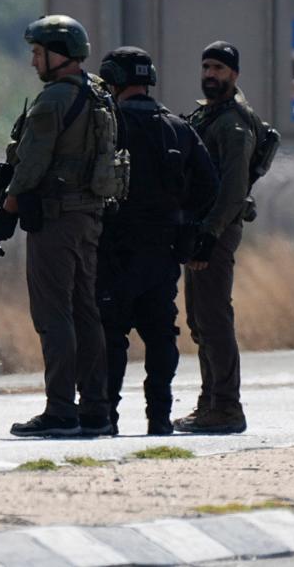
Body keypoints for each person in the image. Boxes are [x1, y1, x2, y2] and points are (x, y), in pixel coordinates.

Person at [0, 14, 114, 438]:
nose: (32, 62)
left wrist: (8, 205)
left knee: (54, 314)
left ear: (59, 56)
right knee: (85, 311)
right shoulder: (97, 95)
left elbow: (32, 162)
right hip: (88, 215)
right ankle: (96, 408)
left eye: (38, 53)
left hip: (57, 218)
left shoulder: (54, 100)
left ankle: (60, 409)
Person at [96, 47, 218, 436]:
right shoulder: (178, 129)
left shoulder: (109, 126)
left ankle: (107, 417)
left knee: (111, 336)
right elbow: (209, 186)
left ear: (112, 80)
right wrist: (185, 228)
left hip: (114, 250)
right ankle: (159, 418)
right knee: (161, 337)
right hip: (162, 253)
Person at [177, 41, 259, 435]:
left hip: (217, 230)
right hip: (202, 228)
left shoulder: (233, 126)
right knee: (200, 319)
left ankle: (226, 406)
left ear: (234, 75)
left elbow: (232, 190)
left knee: (213, 318)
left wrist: (208, 235)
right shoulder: (210, 117)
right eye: (207, 67)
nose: (211, 74)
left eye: (219, 69)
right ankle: (210, 402)